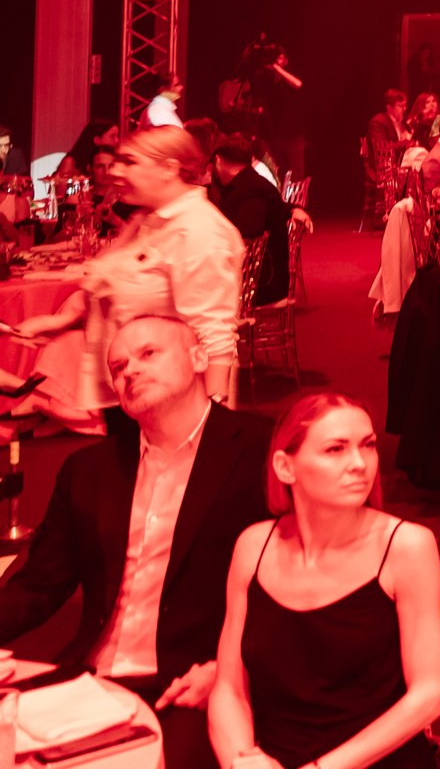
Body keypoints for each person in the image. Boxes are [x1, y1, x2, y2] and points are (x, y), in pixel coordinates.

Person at [0, 316, 272, 769]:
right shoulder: (88, 470)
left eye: (148, 354)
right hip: (90, 679)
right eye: (119, 367)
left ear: (199, 357)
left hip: (191, 682)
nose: (130, 371)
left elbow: (296, 587)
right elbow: (39, 585)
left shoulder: (260, 450)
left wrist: (232, 668)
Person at [207, 394, 440, 769]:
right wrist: (241, 759)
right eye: (336, 449)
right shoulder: (253, 546)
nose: (359, 464)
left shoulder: (406, 547)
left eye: (368, 445)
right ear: (285, 467)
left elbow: (429, 695)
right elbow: (229, 689)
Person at [8, 126, 248, 411]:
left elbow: (214, 339)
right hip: (130, 392)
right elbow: (117, 290)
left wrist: (212, 419)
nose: (116, 171)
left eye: (129, 162)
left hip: (170, 402)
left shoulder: (198, 230)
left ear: (168, 169)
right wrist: (62, 322)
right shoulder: (147, 221)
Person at [210, 139, 296, 309]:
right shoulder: (251, 184)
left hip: (260, 285)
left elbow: (246, 237)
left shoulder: (249, 191)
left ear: (218, 160)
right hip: (264, 279)